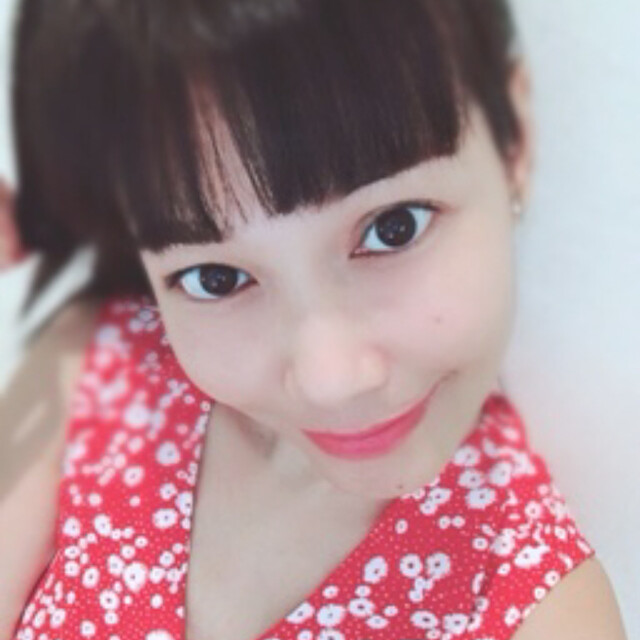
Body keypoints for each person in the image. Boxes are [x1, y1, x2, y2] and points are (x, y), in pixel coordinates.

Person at [0, 0, 628, 639]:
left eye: (394, 227)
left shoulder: (543, 618)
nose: (332, 379)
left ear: (513, 140)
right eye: (216, 278)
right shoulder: (99, 370)